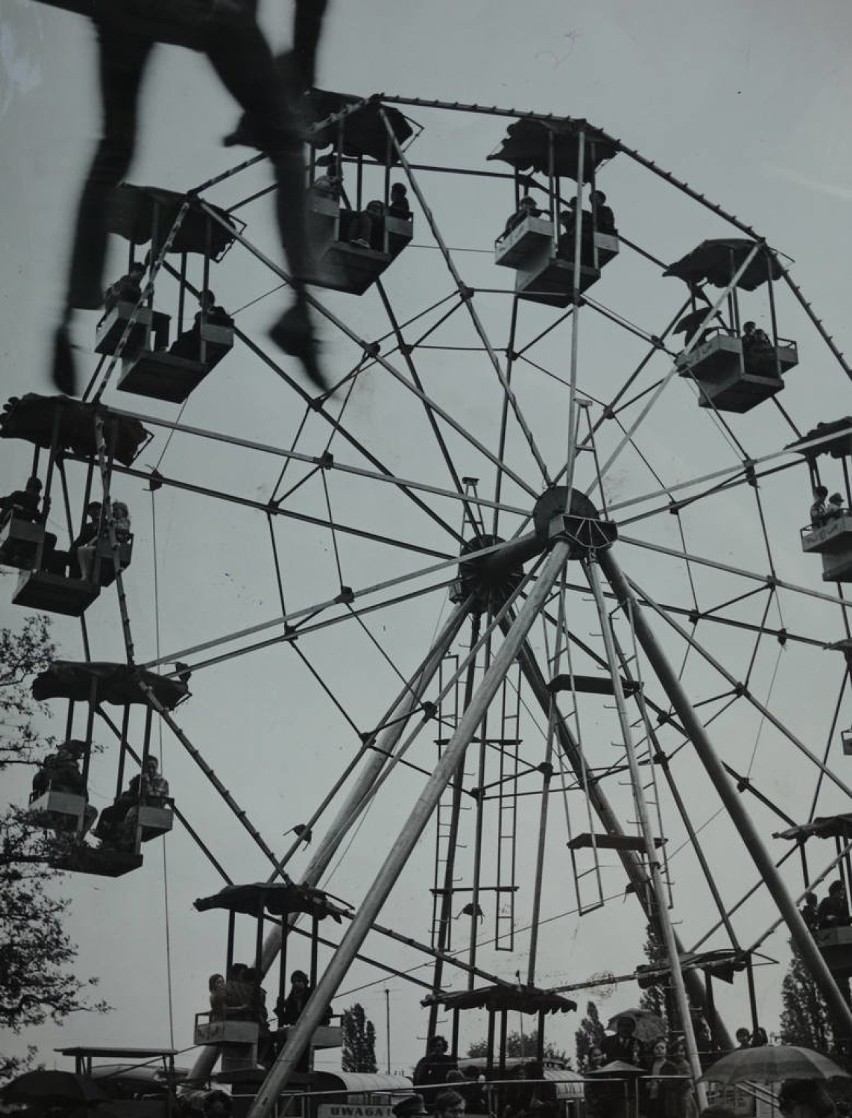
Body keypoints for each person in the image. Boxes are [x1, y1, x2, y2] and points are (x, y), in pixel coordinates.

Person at [50, 0, 330, 397]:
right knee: (287, 148)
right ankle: (300, 309)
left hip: (126, 12)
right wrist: (283, 100)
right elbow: (310, 14)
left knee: (114, 148)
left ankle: (65, 317)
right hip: (212, 13)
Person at [31, 739, 97, 833]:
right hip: (62, 803)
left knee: (67, 822)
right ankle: (75, 840)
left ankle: (72, 840)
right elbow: (81, 789)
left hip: (64, 803)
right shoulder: (63, 770)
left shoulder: (60, 769)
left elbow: (82, 790)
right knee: (89, 813)